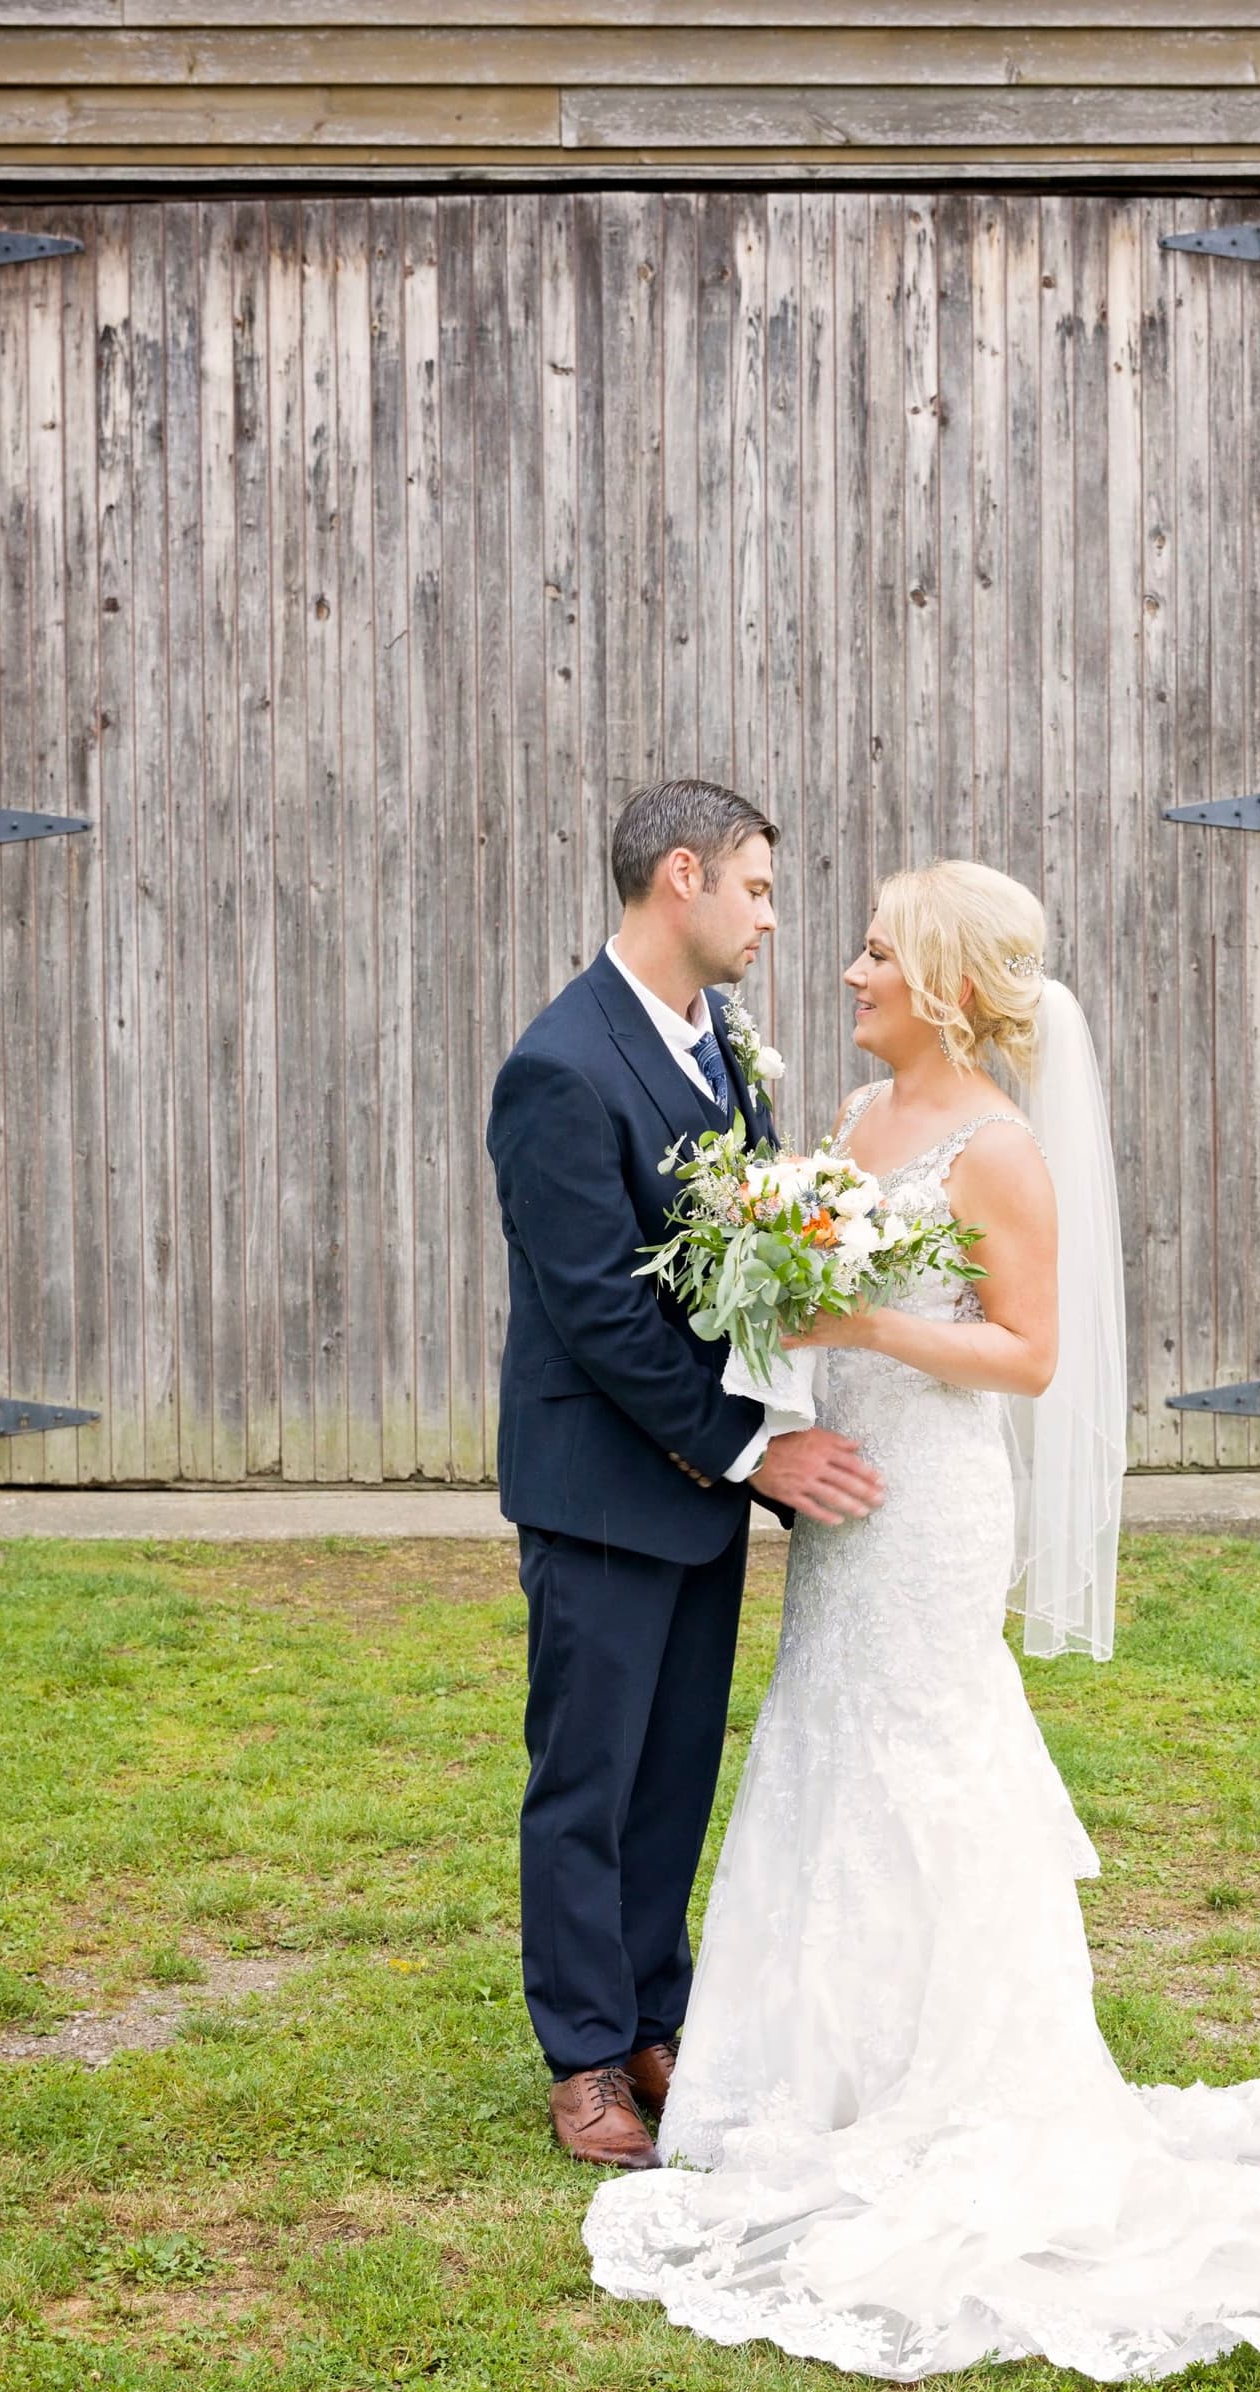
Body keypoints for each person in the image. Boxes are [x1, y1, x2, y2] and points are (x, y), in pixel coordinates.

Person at [581, 859, 1260, 2389]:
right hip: (843, 1501)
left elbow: (1029, 1356)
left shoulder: (1000, 1150)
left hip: (936, 1506)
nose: (844, 972)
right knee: (827, 1742)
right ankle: (810, 2076)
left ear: (946, 985)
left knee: (930, 1751)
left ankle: (970, 2077)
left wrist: (856, 1320)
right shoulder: (842, 1129)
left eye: (873, 952)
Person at [484, 778, 887, 2173]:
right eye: (757, 888)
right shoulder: (562, 1065)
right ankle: (586, 2057)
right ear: (681, 880)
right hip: (604, 1483)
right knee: (585, 1778)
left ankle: (661, 2010)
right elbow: (598, 1312)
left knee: (670, 1774)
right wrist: (753, 1450)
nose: (773, 917)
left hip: (704, 1490)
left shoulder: (722, 1041)